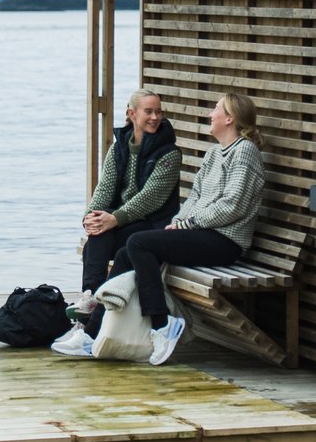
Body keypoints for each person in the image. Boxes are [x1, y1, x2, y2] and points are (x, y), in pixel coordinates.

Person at [71, 92, 268, 366]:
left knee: (139, 243)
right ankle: (91, 332)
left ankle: (162, 325)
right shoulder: (214, 153)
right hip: (201, 233)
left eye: (216, 108)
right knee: (130, 250)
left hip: (225, 241)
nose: (211, 114)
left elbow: (231, 206)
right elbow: (196, 197)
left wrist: (187, 223)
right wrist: (178, 223)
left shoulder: (244, 151)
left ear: (229, 118)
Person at [74, 89, 181, 304]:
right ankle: (92, 299)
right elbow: (104, 188)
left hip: (153, 224)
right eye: (148, 112)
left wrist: (114, 219)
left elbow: (151, 198)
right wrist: (90, 217)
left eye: (158, 112)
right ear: (132, 114)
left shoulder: (169, 152)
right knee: (97, 232)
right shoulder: (118, 148)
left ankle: (92, 300)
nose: (155, 117)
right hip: (124, 222)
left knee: (95, 244)